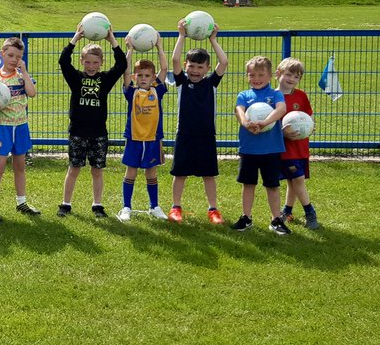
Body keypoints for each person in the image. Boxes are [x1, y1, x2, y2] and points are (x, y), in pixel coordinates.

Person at [58, 24, 126, 218]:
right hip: (78, 131)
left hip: (98, 133)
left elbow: (121, 64)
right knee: (74, 168)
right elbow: (63, 61)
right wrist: (75, 39)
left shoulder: (105, 80)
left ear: (101, 63)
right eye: (87, 62)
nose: (91, 66)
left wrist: (112, 39)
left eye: (95, 63)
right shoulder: (76, 78)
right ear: (82, 61)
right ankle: (65, 203)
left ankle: (97, 205)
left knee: (97, 170)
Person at [167, 21, 228, 224]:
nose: (195, 70)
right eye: (191, 66)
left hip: (206, 136)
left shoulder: (211, 83)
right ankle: (176, 207)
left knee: (208, 174)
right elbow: (175, 58)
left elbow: (224, 62)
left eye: (200, 67)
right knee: (180, 173)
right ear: (186, 66)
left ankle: (213, 209)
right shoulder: (182, 82)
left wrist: (213, 39)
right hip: (184, 134)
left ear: (207, 68)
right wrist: (181, 35)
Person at [231, 56, 291, 235]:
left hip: (271, 149)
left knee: (272, 185)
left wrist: (265, 122)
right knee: (248, 184)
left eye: (260, 74)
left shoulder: (275, 94)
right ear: (247, 76)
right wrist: (246, 123)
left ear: (270, 75)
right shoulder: (244, 95)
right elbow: (239, 111)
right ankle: (246, 217)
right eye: (252, 75)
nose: (256, 78)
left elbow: (281, 109)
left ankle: (276, 219)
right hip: (249, 149)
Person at [0, 36, 41, 222]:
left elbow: (32, 93)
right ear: (2, 54)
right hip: (3, 128)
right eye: (10, 55)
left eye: (18, 56)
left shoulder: (21, 76)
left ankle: (21, 202)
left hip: (21, 127)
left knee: (20, 166)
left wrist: (24, 71)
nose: (14, 59)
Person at [116, 33, 169, 222]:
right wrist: (130, 49)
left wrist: (159, 46)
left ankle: (154, 206)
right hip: (134, 138)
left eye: (147, 75)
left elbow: (164, 67)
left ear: (153, 77)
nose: (144, 78)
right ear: (134, 77)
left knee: (151, 173)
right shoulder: (131, 91)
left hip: (153, 139)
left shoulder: (157, 90)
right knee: (131, 171)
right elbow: (124, 70)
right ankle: (126, 207)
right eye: (140, 75)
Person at [276, 57, 320, 230]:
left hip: (301, 146)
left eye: (296, 77)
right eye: (288, 75)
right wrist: (282, 131)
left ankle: (286, 211)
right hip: (285, 148)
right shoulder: (273, 97)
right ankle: (310, 211)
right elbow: (271, 123)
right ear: (278, 74)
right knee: (298, 178)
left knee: (292, 180)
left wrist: (309, 126)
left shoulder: (301, 96)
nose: (292, 79)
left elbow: (308, 116)